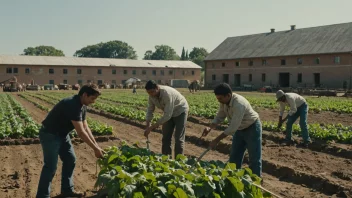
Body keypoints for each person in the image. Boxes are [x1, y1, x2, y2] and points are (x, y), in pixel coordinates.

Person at [36, 84, 105, 198]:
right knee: (50, 167)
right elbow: (81, 133)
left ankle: (67, 190)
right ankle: (42, 196)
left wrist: (97, 146)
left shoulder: (82, 105)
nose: (93, 102)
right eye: (92, 98)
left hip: (62, 134)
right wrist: (95, 149)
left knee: (70, 159)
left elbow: (85, 127)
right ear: (84, 95)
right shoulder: (72, 104)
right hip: (50, 134)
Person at [202, 83, 262, 178]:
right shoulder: (224, 102)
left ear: (228, 95)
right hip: (239, 129)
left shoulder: (239, 104)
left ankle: (256, 181)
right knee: (234, 156)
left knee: (254, 157)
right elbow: (220, 116)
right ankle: (233, 178)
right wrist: (210, 126)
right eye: (218, 99)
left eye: (220, 98)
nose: (219, 101)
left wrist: (216, 140)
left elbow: (233, 127)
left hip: (252, 127)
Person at [144, 80, 189, 158]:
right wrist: (148, 124)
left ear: (157, 88)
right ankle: (166, 158)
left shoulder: (166, 94)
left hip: (180, 110)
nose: (151, 94)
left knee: (178, 138)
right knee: (166, 137)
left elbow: (167, 115)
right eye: (149, 93)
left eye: (152, 92)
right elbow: (150, 109)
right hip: (168, 112)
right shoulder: (151, 96)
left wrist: (152, 127)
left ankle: (179, 161)